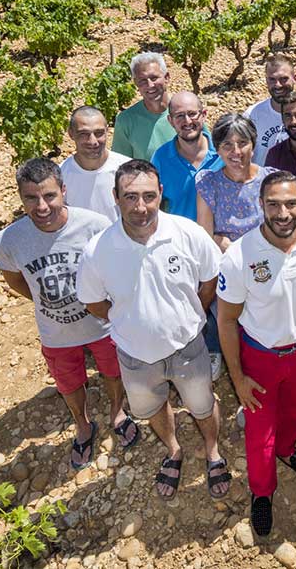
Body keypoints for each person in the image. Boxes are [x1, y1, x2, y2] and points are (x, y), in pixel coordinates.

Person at [76, 159, 231, 500]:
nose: (141, 206)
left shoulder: (187, 233)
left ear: (161, 193)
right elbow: (92, 303)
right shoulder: (97, 251)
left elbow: (209, 281)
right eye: (130, 197)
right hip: (135, 355)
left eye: (149, 195)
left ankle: (213, 450)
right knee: (153, 408)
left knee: (202, 405)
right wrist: (128, 321)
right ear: (115, 197)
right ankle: (174, 450)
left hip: (188, 347)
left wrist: (193, 314)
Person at [0, 158, 138, 472]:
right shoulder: (9, 240)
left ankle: (117, 411)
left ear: (63, 191)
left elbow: (114, 267)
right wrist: (46, 300)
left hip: (101, 326)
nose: (41, 206)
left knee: (112, 372)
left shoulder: (94, 225)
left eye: (49, 196)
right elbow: (15, 279)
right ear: (20, 197)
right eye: (31, 198)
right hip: (55, 333)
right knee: (69, 385)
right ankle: (83, 425)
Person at [217, 171, 296, 536]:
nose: (282, 213)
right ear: (261, 206)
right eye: (273, 204)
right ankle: (262, 492)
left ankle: (287, 449)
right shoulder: (240, 257)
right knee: (258, 432)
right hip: (259, 357)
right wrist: (237, 378)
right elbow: (226, 321)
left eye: (290, 203)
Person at [196, 114, 275, 380]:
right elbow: (205, 234)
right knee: (230, 324)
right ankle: (227, 359)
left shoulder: (270, 181)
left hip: (267, 267)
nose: (236, 152)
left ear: (254, 145)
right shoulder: (208, 183)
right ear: (217, 149)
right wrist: (223, 242)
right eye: (227, 145)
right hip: (227, 267)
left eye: (243, 143)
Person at [150, 91, 223, 220]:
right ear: (170, 121)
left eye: (192, 114)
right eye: (179, 116)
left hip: (220, 238)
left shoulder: (223, 154)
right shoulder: (161, 158)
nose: (187, 121)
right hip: (180, 238)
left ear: (204, 115)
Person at [60, 106, 130, 221]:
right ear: (71, 134)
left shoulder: (128, 170)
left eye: (99, 133)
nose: (93, 141)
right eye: (84, 134)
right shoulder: (60, 174)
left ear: (107, 131)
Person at [111, 52, 174, 161]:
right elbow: (121, 165)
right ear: (136, 83)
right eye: (143, 80)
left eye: (154, 78)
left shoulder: (186, 112)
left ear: (167, 77)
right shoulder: (126, 121)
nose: (150, 85)